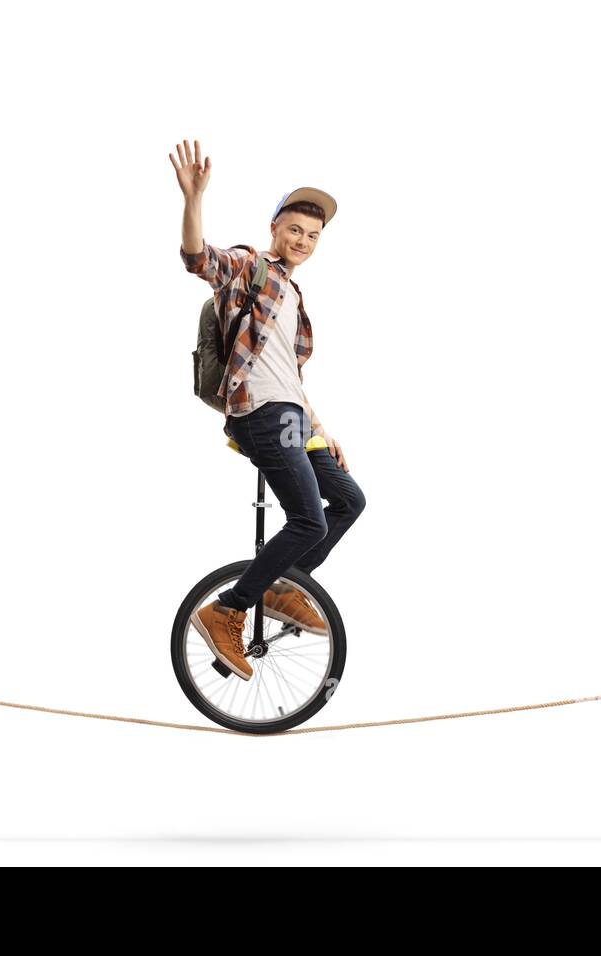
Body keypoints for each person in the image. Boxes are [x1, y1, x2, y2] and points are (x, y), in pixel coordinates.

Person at [169, 138, 366, 681]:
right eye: (295, 229)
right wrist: (193, 198)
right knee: (306, 519)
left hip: (293, 418)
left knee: (348, 499)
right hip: (259, 412)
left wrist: (321, 430)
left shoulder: (296, 300)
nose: (303, 239)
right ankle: (228, 609)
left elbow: (291, 376)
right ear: (275, 228)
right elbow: (198, 258)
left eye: (313, 234)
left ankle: (279, 589)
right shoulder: (250, 267)